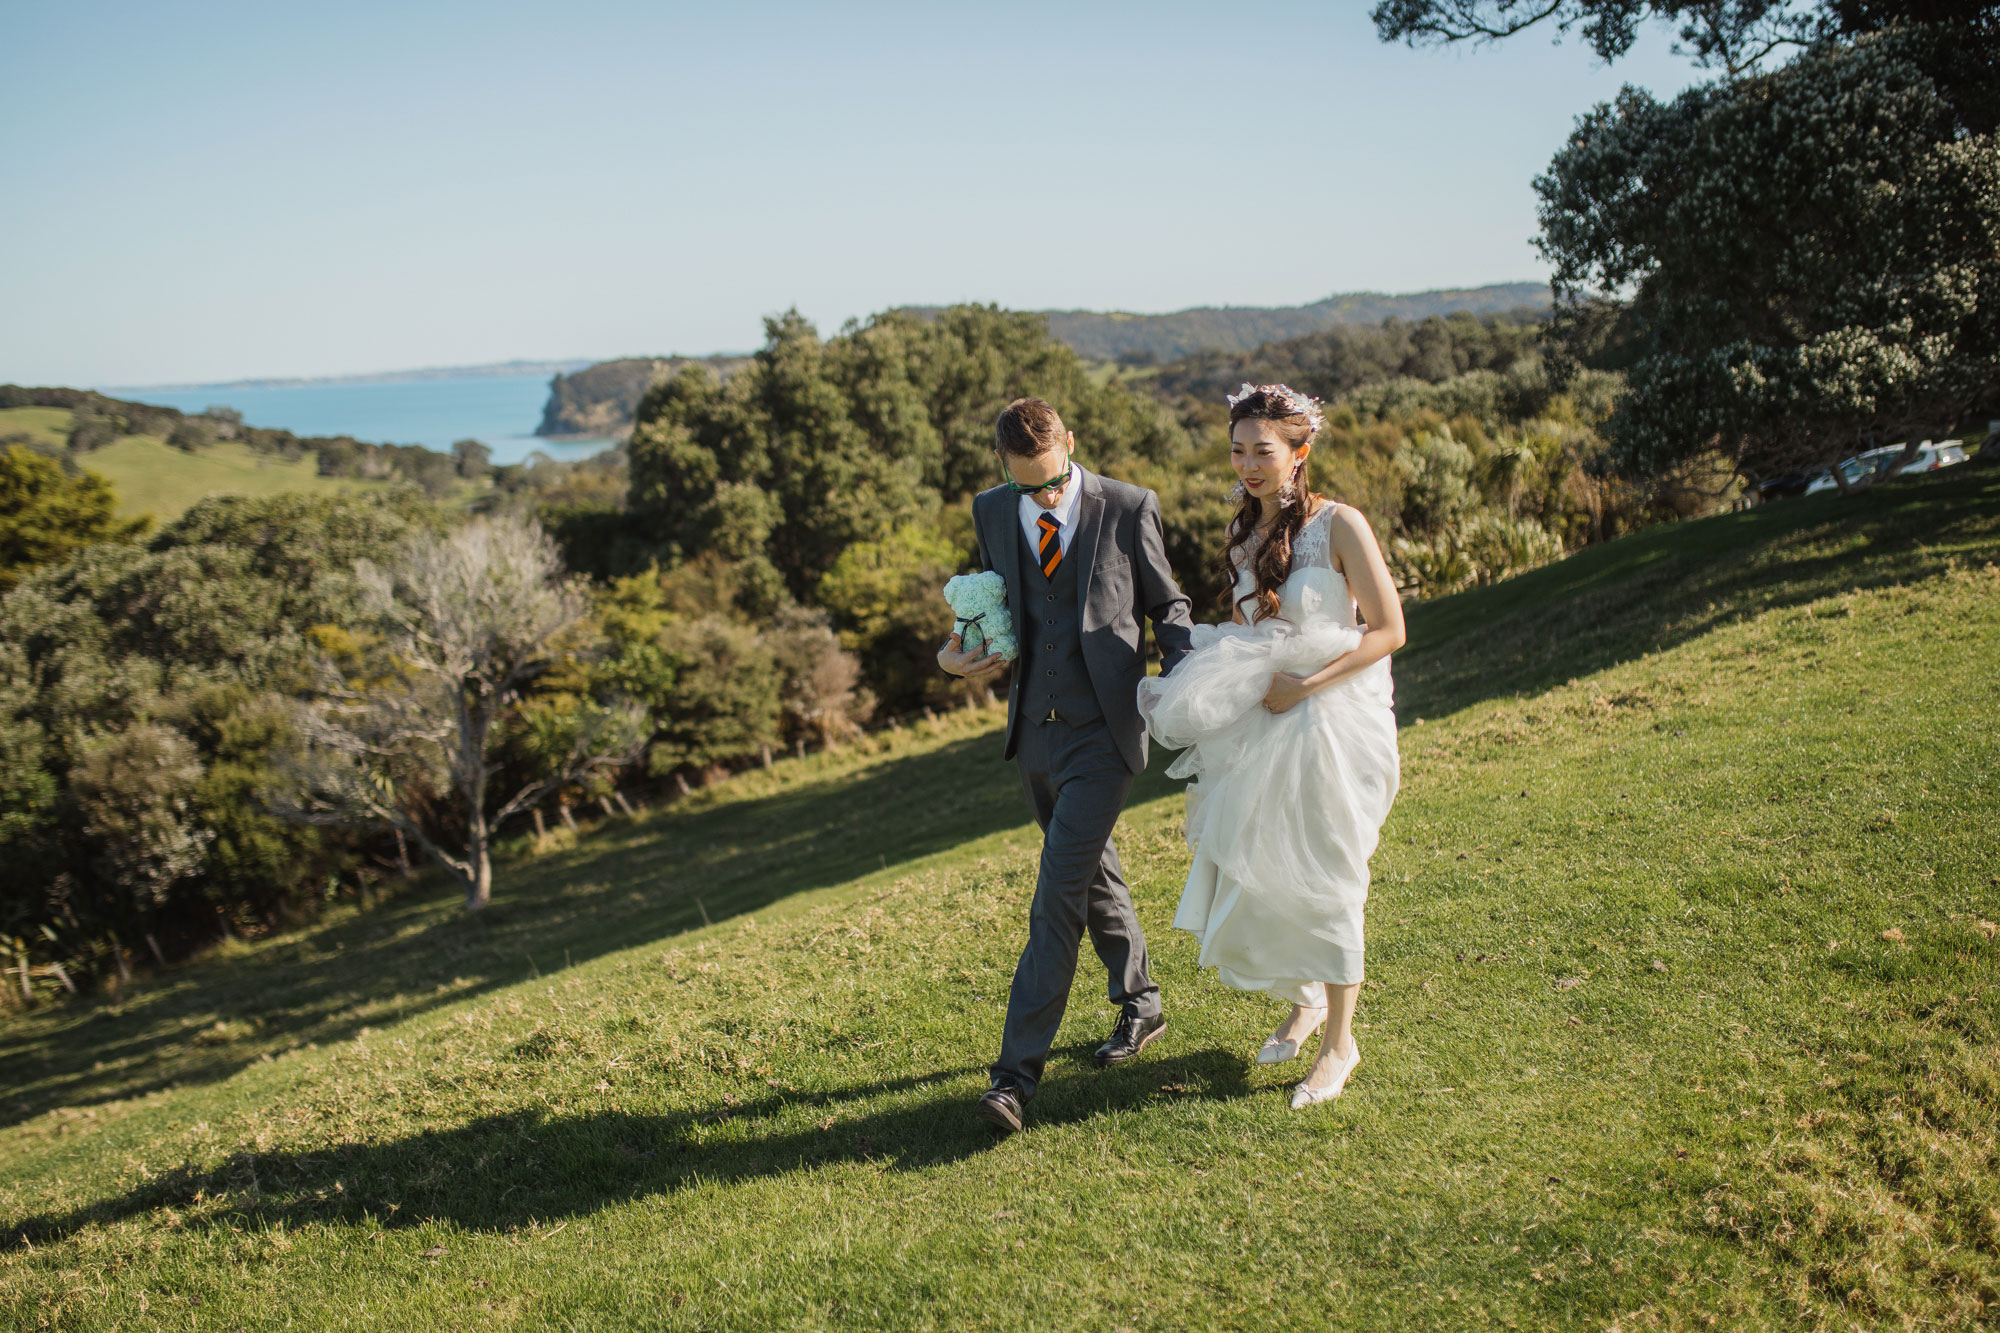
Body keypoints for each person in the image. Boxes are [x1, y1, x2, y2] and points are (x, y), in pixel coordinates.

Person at [1136, 383, 1405, 1108]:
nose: (1249, 464)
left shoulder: (1340, 525)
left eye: (1264, 450)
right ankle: (1306, 997)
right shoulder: (1241, 534)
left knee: (1330, 870)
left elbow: (1387, 629)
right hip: (1266, 721)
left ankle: (1339, 1042)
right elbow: (1250, 634)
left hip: (1333, 720)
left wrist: (1306, 683)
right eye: (1238, 449)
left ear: (1299, 453)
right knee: (1268, 868)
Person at [939, 397, 1196, 1134]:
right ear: (1005, 471)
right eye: (1031, 487)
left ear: (1071, 447)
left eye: (1055, 481)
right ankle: (1142, 1004)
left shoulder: (1127, 505)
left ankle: (1013, 1078)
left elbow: (1167, 605)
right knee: (1090, 873)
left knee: (1055, 899)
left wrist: (1187, 684)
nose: (1046, 497)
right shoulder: (994, 510)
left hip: (1106, 735)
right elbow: (993, 609)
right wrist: (953, 654)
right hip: (1035, 737)